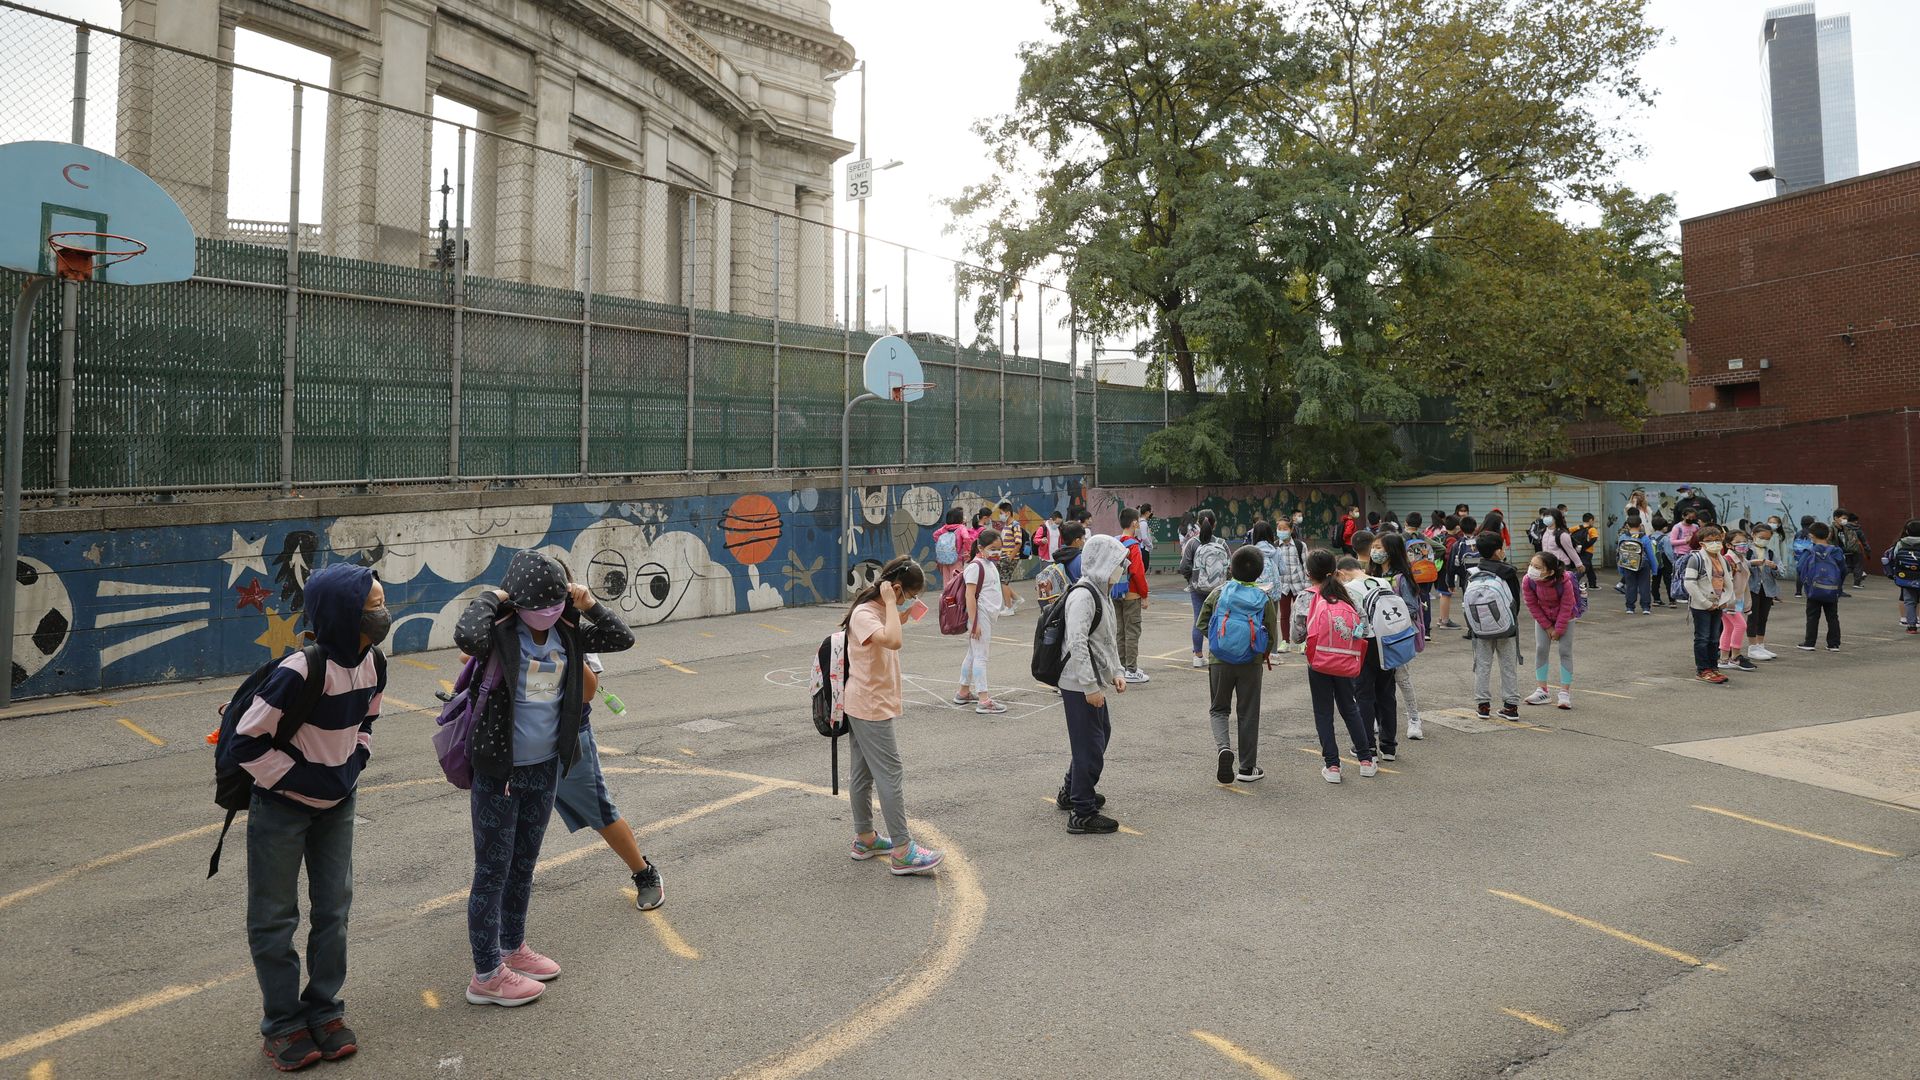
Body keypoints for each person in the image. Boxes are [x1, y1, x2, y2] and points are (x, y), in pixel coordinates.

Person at [456, 550, 636, 1007]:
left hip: (545, 767)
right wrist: (490, 597)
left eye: (557, 602)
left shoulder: (568, 631)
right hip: (500, 771)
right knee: (492, 870)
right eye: (541, 604)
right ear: (517, 603)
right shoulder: (500, 633)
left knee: (523, 865)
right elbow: (465, 634)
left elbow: (622, 637)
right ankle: (485, 974)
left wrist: (590, 604)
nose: (550, 612)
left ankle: (512, 947)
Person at [235, 564, 388, 1070]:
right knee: (275, 919)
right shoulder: (300, 670)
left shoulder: (375, 663)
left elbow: (367, 719)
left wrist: (353, 765)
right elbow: (246, 742)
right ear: (343, 615)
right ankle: (282, 1023)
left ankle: (324, 1009)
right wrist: (303, 781)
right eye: (373, 609)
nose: (384, 616)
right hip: (281, 810)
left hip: (337, 808)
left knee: (334, 913)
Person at [842, 555, 946, 874]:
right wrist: (891, 602)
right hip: (870, 706)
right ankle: (902, 850)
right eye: (910, 596)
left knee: (862, 775)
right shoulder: (864, 613)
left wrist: (902, 609)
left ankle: (866, 839)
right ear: (896, 589)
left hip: (864, 703)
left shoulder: (875, 611)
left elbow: (893, 628)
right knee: (890, 774)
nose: (911, 602)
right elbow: (894, 641)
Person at [554, 656, 665, 912]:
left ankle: (643, 872)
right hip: (519, 738)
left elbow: (588, 691)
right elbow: (467, 654)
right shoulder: (508, 623)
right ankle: (516, 873)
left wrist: (565, 642)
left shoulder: (569, 629)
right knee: (516, 811)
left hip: (567, 736)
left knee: (599, 810)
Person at [1056, 535, 1130, 833]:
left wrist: (1116, 671)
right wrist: (1090, 687)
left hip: (1091, 681)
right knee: (1090, 745)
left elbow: (1105, 640)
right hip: (1078, 682)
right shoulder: (1084, 596)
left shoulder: (1102, 592)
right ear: (1101, 562)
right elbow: (1076, 642)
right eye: (1117, 563)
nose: (1121, 569)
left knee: (1098, 737)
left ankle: (1071, 792)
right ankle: (1082, 812)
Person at [1292, 549, 1377, 783]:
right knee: (1350, 708)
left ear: (1308, 573)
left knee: (1323, 712)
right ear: (1335, 570)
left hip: (1319, 662)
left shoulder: (1306, 597)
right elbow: (1364, 628)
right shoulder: (1347, 594)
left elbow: (1297, 636)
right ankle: (1366, 760)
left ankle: (1332, 766)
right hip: (1346, 660)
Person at [1197, 546, 1279, 784]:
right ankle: (1247, 768)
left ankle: (1223, 748)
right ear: (1260, 572)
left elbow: (1202, 622)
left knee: (1219, 709)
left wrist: (1219, 643)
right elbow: (1271, 636)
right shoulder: (1263, 598)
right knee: (1248, 712)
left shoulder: (1220, 593)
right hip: (1251, 662)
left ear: (1230, 569)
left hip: (1220, 660)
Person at [1466, 531, 1524, 721]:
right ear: (1498, 551)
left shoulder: (1473, 573)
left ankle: (1483, 706)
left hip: (1481, 629)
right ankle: (1510, 707)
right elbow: (1515, 601)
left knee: (1482, 665)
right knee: (1508, 665)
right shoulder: (1508, 572)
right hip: (1506, 628)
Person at [1376, 532, 1428, 741]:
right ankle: (1377, 719)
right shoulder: (1372, 574)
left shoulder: (1402, 578)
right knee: (1377, 681)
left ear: (1391, 551)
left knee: (1402, 679)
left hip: (1396, 636)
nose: (1375, 552)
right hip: (1376, 635)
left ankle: (1414, 719)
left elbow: (1412, 608)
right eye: (1374, 547)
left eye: (1379, 548)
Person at [957, 528, 1008, 714]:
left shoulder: (987, 564)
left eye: (999, 548)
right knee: (981, 656)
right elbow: (969, 596)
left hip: (985, 615)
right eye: (993, 548)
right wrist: (975, 622)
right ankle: (984, 699)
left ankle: (963, 692)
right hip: (980, 616)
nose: (997, 552)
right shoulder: (975, 567)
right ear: (980, 547)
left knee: (973, 654)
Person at [1521, 551, 1579, 709]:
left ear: (1550, 571)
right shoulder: (1528, 581)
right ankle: (1542, 690)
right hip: (1543, 617)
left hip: (1566, 617)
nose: (1532, 569)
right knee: (1541, 649)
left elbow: (1567, 606)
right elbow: (1532, 604)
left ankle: (1564, 693)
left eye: (1537, 567)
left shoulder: (1564, 581)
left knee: (1565, 651)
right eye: (1531, 565)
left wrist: (1558, 629)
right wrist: (1547, 626)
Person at [1680, 526, 1735, 684]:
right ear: (1702, 543)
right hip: (1701, 606)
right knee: (1703, 638)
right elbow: (1690, 584)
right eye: (1710, 541)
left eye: (1717, 540)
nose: (1715, 544)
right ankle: (1703, 669)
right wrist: (1705, 603)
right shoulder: (1696, 559)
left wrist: (1724, 601)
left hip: (1718, 604)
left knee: (1714, 638)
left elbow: (1727, 582)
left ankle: (1713, 667)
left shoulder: (1722, 560)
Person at [1179, 510, 1233, 668]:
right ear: (1214, 524)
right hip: (1218, 589)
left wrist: (1192, 580)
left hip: (1197, 588)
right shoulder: (1221, 543)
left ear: (1198, 523)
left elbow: (1184, 566)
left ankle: (1198, 655)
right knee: (1218, 618)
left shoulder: (1192, 543)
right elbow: (1229, 566)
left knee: (1198, 619)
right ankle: (1218, 653)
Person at [1251, 519, 1309, 654]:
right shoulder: (1275, 547)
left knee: (1301, 614)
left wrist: (1307, 585)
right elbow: (1281, 569)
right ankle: (1285, 641)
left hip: (1299, 584)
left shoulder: (1300, 546)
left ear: (1291, 529)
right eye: (1279, 528)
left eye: (1284, 528)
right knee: (1284, 615)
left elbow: (1306, 566)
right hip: (1283, 586)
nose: (1281, 531)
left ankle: (1303, 640)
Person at [1113, 508, 1151, 683]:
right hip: (1132, 594)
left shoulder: (1114, 542)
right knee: (1132, 631)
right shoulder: (1133, 546)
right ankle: (1131, 669)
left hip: (1115, 593)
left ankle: (1120, 667)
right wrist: (1144, 595)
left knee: (1119, 631)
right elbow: (1137, 573)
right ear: (1134, 523)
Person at [1797, 522, 1847, 652]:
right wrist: (1838, 585)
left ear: (1811, 536)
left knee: (1813, 616)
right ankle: (1834, 644)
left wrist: (1806, 584)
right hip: (1831, 589)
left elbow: (1800, 568)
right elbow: (1844, 570)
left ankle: (1809, 642)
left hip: (1814, 589)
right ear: (1829, 534)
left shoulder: (1810, 551)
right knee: (1832, 616)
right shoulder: (1836, 551)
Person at [1717, 530, 1757, 672]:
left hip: (1736, 599)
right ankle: (1735, 657)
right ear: (1728, 545)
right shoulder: (1728, 560)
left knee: (1729, 628)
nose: (1743, 545)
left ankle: (1723, 658)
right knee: (1740, 625)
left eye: (1745, 541)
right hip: (1729, 600)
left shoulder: (1741, 559)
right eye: (1738, 542)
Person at [1745, 521, 1782, 659]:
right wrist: (1752, 563)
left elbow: (1781, 570)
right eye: (1761, 537)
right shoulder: (1747, 551)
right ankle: (1752, 647)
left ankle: (1761, 645)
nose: (1764, 540)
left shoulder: (1771, 553)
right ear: (1753, 535)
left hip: (1767, 589)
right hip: (1751, 588)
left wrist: (1774, 567)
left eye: (1767, 538)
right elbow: (1738, 565)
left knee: (1763, 617)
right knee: (1752, 617)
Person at [1034, 521, 1087, 613]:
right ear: (1077, 541)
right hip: (1077, 605)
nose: (1084, 541)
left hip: (1060, 607)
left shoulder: (1058, 557)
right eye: (1083, 538)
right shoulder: (1081, 560)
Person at [1882, 519, 1920, 633]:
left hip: (1906, 576)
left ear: (1907, 531)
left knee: (1909, 601)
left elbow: (1893, 557)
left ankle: (1911, 626)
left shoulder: (1901, 543)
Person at [1617, 513, 1657, 615]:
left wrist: (1620, 568)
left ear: (1627, 525)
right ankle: (1645, 607)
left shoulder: (1623, 537)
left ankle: (1630, 607)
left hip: (1628, 565)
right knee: (1644, 586)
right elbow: (1651, 554)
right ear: (1640, 525)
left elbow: (1619, 554)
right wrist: (1654, 568)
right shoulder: (1644, 538)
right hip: (1644, 565)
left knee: (1630, 586)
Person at [931, 508, 974, 592]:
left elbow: (935, 535)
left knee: (946, 581)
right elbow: (967, 538)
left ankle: (947, 597)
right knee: (957, 580)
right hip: (957, 558)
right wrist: (967, 551)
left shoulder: (944, 528)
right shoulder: (961, 528)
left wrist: (942, 547)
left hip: (944, 558)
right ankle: (956, 599)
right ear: (959, 518)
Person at [994, 502, 1025, 613]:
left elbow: (1018, 543)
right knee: (1002, 580)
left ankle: (1008, 607)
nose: (1000, 515)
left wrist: (1010, 558)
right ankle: (1017, 599)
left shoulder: (1015, 525)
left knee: (1004, 582)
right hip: (1004, 557)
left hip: (1009, 558)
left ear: (1008, 513)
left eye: (1001, 513)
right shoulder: (1007, 525)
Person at [1833, 509, 1866, 592]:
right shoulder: (1831, 529)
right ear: (1836, 518)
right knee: (1846, 568)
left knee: (1847, 568)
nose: (1845, 520)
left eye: (1846, 519)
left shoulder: (1847, 529)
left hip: (1849, 550)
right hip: (1838, 552)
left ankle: (1840, 588)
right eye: (1843, 518)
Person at [1649, 513, 1674, 608]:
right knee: (1668, 580)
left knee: (1655, 581)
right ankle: (1672, 600)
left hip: (1654, 561)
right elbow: (1669, 552)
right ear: (1664, 527)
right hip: (1665, 562)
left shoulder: (1649, 537)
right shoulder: (1665, 538)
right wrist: (1673, 561)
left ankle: (1656, 599)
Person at [1574, 513, 1600, 590]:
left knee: (1589, 568)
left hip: (1579, 550)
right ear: (1591, 520)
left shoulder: (1577, 527)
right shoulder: (1592, 529)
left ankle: (1593, 584)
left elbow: (1568, 531)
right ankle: (1573, 580)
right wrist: (1586, 546)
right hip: (1588, 552)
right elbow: (1594, 539)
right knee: (1584, 568)